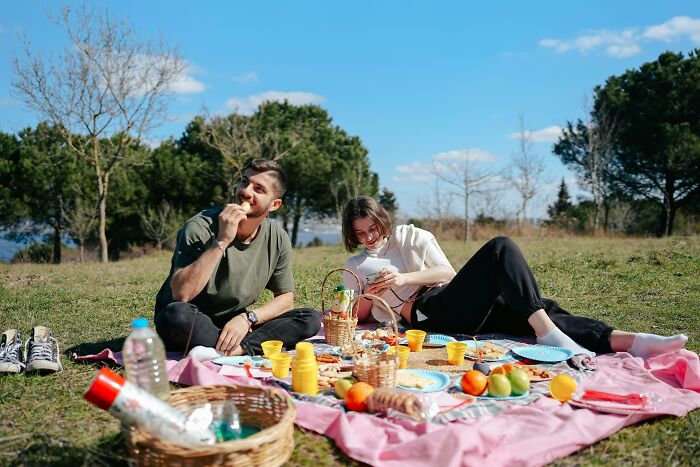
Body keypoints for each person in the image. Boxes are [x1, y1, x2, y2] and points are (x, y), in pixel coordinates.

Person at [341, 196, 688, 362]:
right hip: (426, 315)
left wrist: (403, 277)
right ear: (352, 235)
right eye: (361, 233)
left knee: (538, 308)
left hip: (448, 297)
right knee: (500, 248)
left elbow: (446, 273)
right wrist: (372, 294)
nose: (370, 237)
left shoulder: (410, 237)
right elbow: (359, 316)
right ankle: (548, 334)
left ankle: (632, 342)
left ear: (383, 222)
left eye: (373, 229)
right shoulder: (355, 263)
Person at [154, 159, 321, 357]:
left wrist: (247, 318)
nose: (246, 191)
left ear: (275, 204)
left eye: (258, 189)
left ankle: (233, 349)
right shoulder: (200, 227)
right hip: (191, 319)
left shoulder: (277, 237)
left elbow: (285, 299)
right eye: (244, 181)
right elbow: (182, 295)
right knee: (176, 316)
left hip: (234, 321)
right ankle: (246, 346)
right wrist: (222, 240)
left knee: (309, 318)